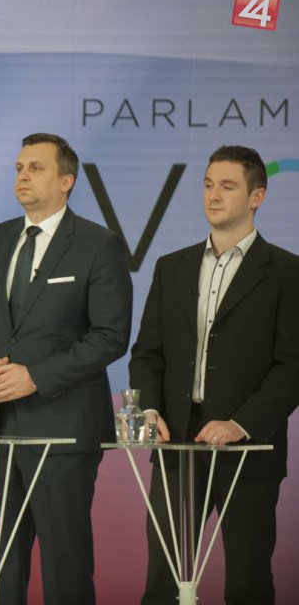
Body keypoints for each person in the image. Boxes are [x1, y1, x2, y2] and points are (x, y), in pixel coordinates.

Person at [0, 133, 132, 605]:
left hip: (63, 427)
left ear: (67, 181)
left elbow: (110, 336)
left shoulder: (99, 244)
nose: (22, 177)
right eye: (18, 168)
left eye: (35, 167)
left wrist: (36, 376)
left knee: (64, 566)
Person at [130, 145, 299, 605]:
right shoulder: (171, 267)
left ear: (257, 196)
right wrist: (149, 410)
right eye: (207, 185)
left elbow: (293, 366)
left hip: (248, 451)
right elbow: (146, 354)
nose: (213, 195)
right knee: (163, 583)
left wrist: (241, 424)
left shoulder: (287, 272)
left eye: (227, 186)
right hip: (176, 445)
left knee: (247, 584)